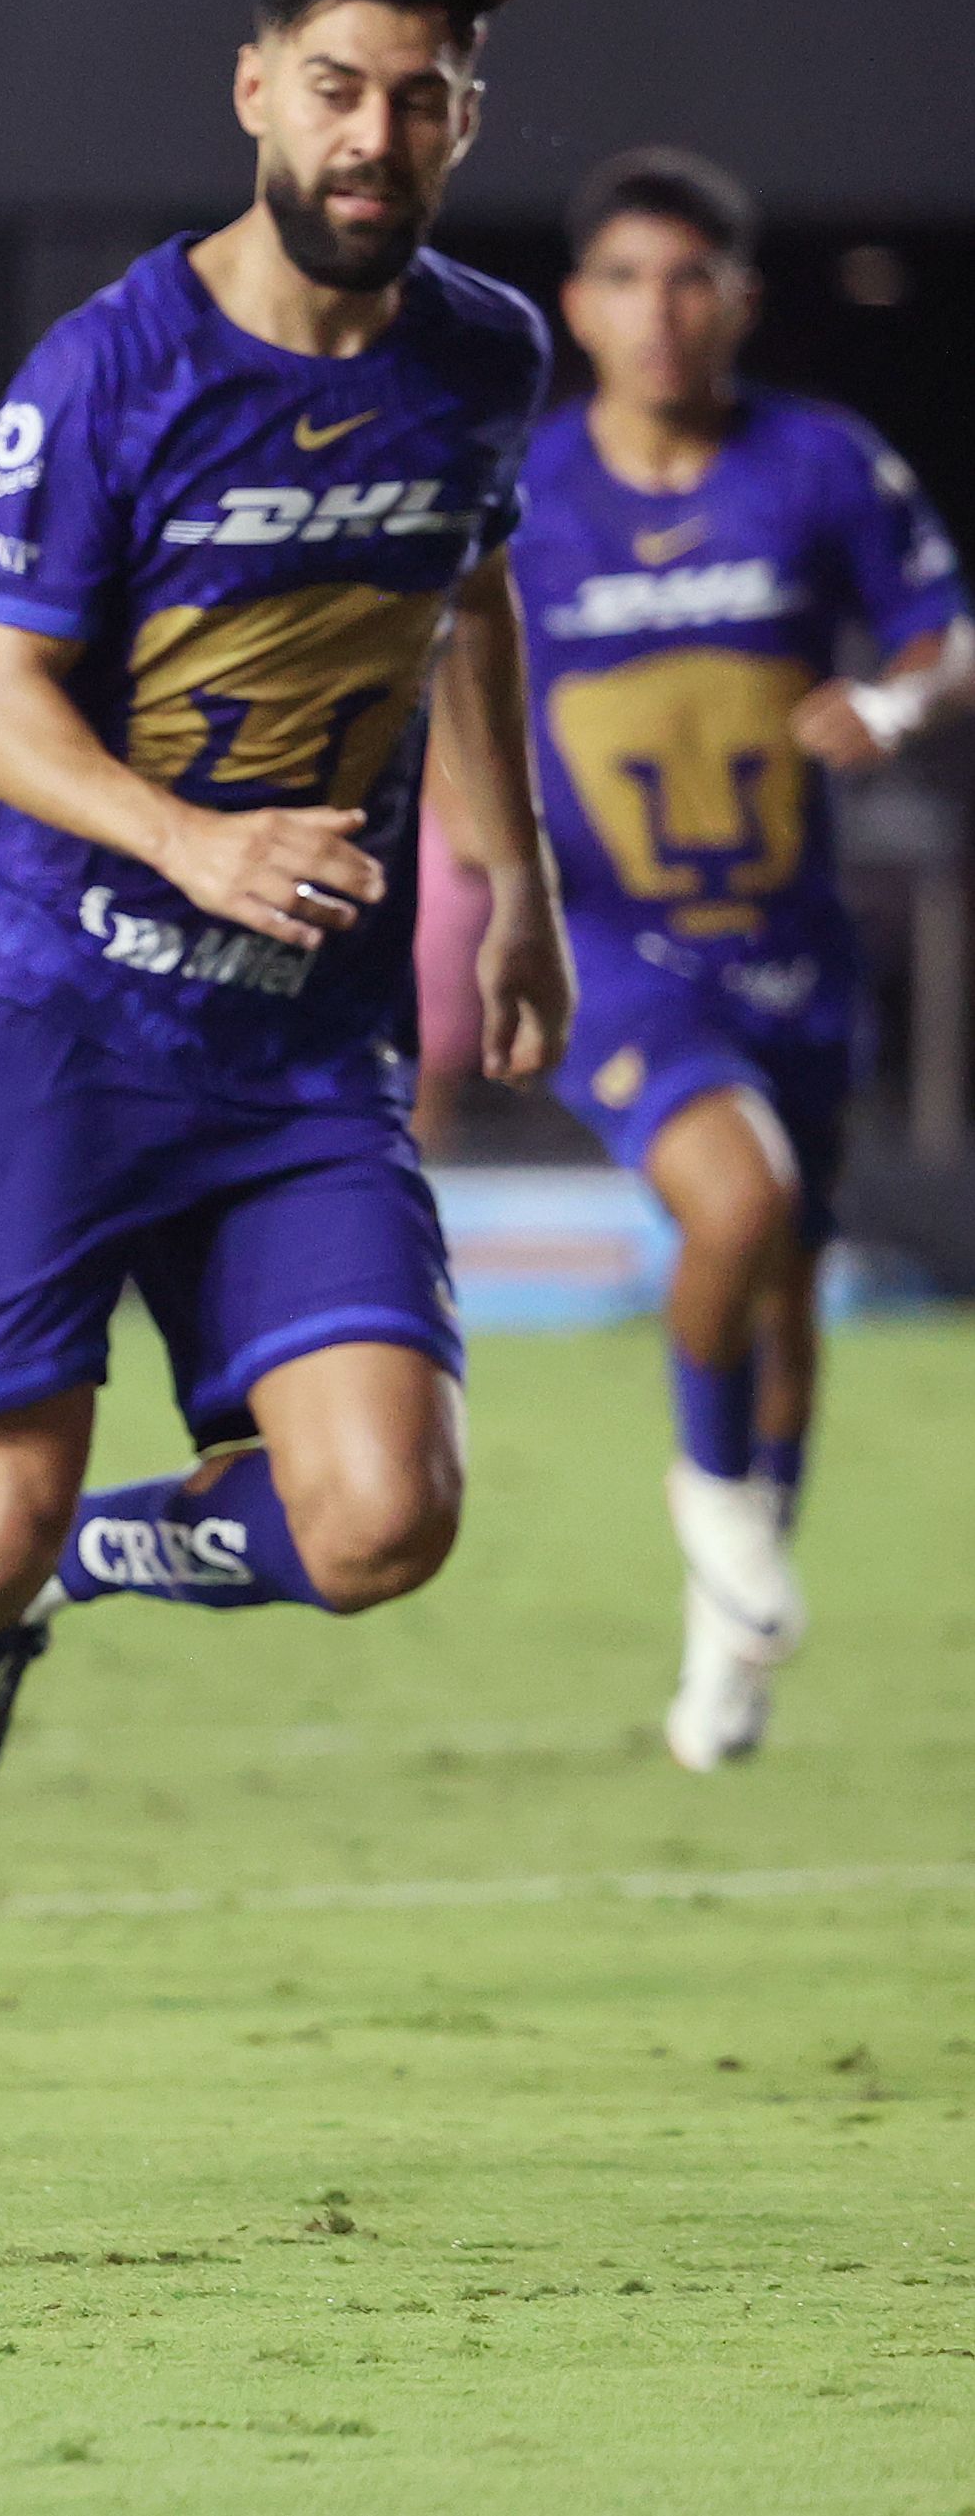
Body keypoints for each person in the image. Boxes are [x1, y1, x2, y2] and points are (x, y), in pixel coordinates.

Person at [0, 0, 568, 2097]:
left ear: (456, 120)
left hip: (296, 1053)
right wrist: (187, 837)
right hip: (55, 1011)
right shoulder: (107, 370)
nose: (371, 129)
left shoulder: (480, 355)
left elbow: (469, 586)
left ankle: (75, 1577)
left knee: (376, 1523)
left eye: (415, 95)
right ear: (253, 95)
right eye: (334, 83)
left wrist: (508, 876)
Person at [496, 148, 968, 1769]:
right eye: (623, 279)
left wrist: (897, 703)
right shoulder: (524, 491)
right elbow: (440, 678)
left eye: (686, 278)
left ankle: (724, 1626)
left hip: (787, 940)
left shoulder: (812, 462)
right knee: (736, 1199)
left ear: (736, 300)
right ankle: (706, 1504)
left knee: (788, 1297)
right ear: (577, 304)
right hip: (609, 943)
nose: (656, 311)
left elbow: (936, 626)